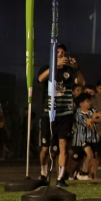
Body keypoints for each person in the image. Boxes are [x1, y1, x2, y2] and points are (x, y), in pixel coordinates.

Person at [38, 46, 80, 186]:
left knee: (63, 145)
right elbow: (40, 78)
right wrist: (55, 66)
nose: (60, 54)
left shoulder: (69, 71)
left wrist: (76, 68)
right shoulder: (46, 68)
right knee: (45, 148)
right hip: (48, 113)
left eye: (63, 53)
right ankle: (43, 174)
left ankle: (61, 177)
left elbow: (81, 82)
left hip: (65, 113)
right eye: (58, 52)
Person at [71, 92, 101, 180]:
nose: (90, 103)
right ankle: (75, 174)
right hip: (82, 139)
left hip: (93, 138)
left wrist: (92, 119)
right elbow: (88, 124)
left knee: (91, 157)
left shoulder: (92, 110)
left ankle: (85, 173)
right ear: (81, 104)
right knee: (86, 156)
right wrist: (94, 118)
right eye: (87, 101)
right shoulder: (78, 113)